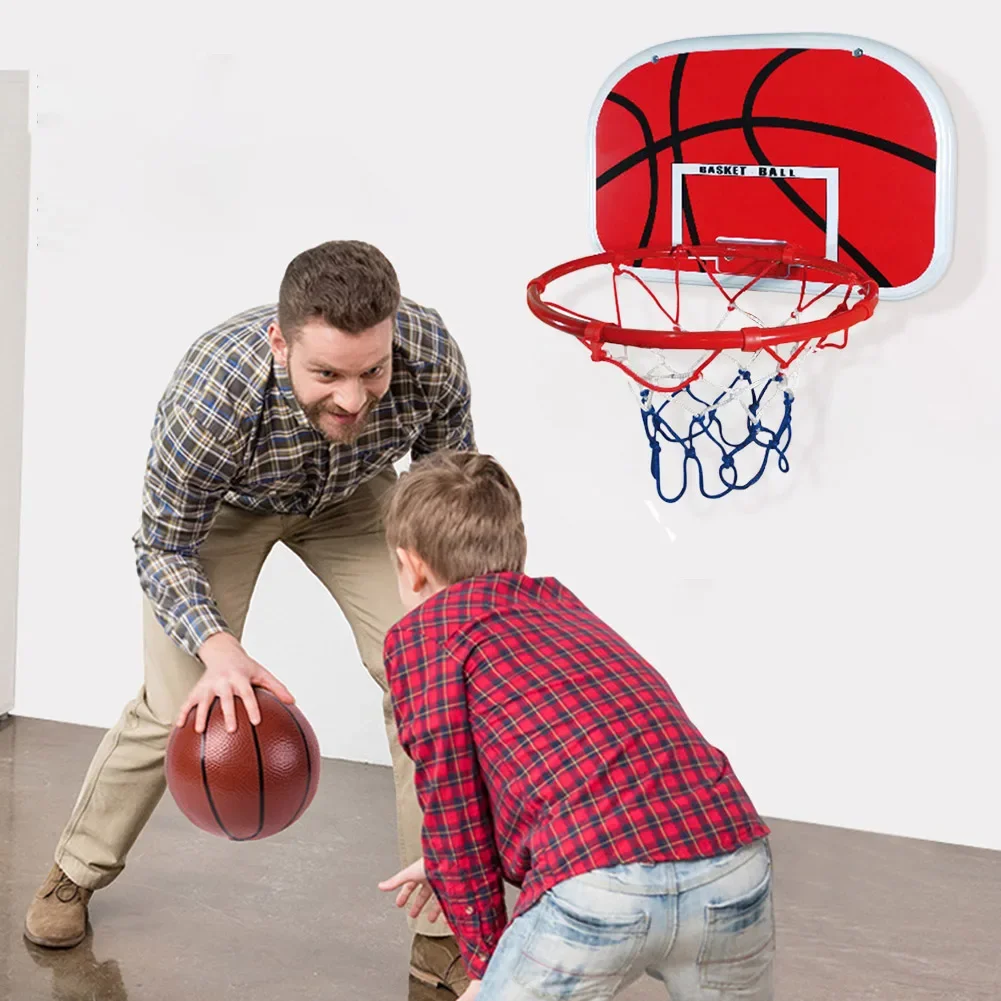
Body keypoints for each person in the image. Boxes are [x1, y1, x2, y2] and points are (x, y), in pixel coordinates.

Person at [25, 240, 475, 999]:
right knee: (179, 703)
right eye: (326, 374)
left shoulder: (430, 354)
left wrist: (451, 614)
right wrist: (217, 646)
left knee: (427, 684)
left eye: (372, 371)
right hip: (224, 513)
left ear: (393, 336)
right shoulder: (214, 391)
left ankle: (438, 932)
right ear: (280, 340)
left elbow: (444, 486)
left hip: (358, 499)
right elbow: (164, 543)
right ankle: (76, 870)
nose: (354, 399)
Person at [378, 451, 775, 1000]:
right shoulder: (564, 607)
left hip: (597, 883)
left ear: (410, 564)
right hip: (730, 855)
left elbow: (453, 810)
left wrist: (486, 968)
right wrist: (450, 862)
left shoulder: (425, 635)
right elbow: (590, 759)